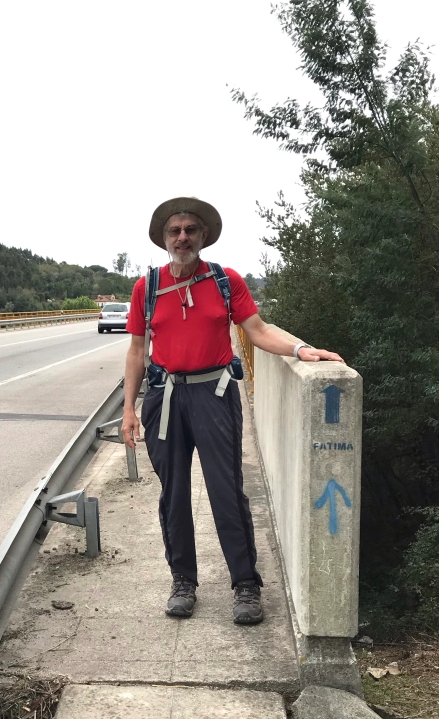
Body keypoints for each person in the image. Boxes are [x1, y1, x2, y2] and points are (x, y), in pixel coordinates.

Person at [122, 196, 344, 624]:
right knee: (173, 494)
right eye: (175, 231)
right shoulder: (146, 287)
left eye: (190, 230)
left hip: (214, 394)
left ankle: (245, 585)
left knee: (226, 490)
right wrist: (130, 408)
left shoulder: (225, 281)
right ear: (165, 239)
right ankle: (183, 580)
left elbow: (257, 331)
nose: (182, 237)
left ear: (203, 236)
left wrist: (302, 349)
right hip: (164, 398)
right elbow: (136, 351)